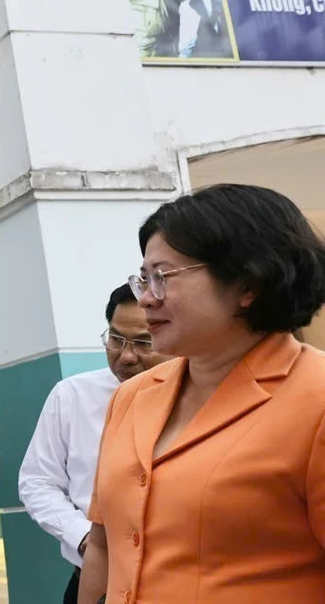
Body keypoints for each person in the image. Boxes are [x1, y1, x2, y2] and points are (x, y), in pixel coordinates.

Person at [79, 184, 325, 603]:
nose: (146, 299)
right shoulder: (132, 396)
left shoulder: (315, 397)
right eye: (143, 279)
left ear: (248, 285)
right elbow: (104, 545)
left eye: (163, 277)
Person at [18, 284, 173, 604]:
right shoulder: (72, 396)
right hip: (95, 579)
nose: (126, 356)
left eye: (143, 342)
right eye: (116, 339)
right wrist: (84, 537)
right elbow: (37, 481)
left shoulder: (199, 396)